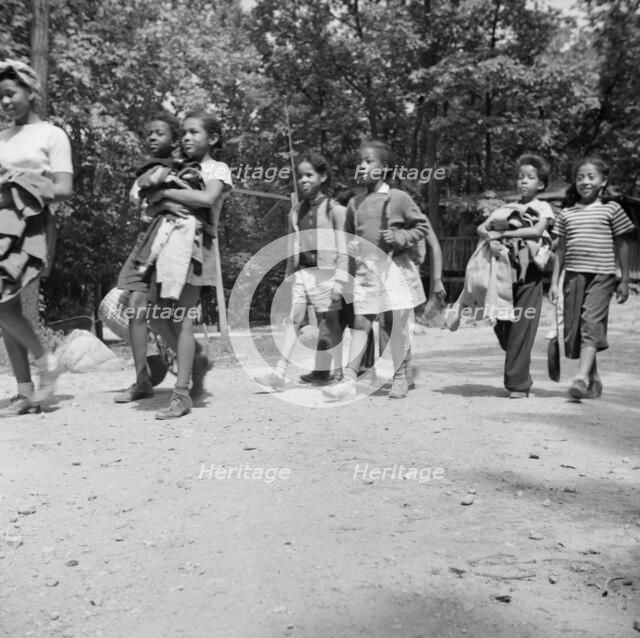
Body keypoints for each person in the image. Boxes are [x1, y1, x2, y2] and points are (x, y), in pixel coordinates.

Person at [323, 140, 442, 401]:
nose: (362, 166)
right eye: (360, 162)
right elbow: (348, 240)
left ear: (384, 167)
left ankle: (399, 377)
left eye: (369, 161)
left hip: (394, 269)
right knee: (361, 323)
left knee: (395, 325)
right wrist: (350, 257)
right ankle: (349, 380)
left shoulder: (398, 198)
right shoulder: (354, 203)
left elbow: (422, 227)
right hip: (367, 272)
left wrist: (400, 236)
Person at [114, 111, 210, 404]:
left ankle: (188, 364)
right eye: (149, 134)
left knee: (154, 312)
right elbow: (142, 202)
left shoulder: (181, 169)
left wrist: (161, 199)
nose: (153, 137)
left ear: (174, 140)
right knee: (137, 310)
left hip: (167, 243)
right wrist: (161, 201)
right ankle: (147, 377)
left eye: (160, 133)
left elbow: (177, 204)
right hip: (147, 242)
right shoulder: (151, 168)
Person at [145, 110, 232, 419]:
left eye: (195, 132)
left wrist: (167, 192)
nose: (186, 138)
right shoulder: (179, 167)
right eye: (183, 133)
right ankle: (197, 358)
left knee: (182, 318)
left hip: (197, 248)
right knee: (155, 317)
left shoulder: (216, 168)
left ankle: (181, 394)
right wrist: (163, 199)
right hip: (167, 248)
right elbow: (149, 202)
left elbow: (208, 199)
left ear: (213, 138)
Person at [0, 59, 73, 416]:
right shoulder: (1, 137)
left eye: (10, 93)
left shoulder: (51, 134)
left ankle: (46, 361)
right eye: (0, 97)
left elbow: (63, 188)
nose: (5, 102)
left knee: (1, 304)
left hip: (28, 225)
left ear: (30, 92)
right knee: (5, 309)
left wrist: (15, 179)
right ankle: (25, 391)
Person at [253, 153, 348, 390]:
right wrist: (288, 275)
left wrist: (340, 280)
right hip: (302, 274)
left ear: (322, 177)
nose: (303, 180)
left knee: (331, 323)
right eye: (300, 176)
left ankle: (340, 372)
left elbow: (343, 249)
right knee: (293, 320)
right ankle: (280, 374)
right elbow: (291, 245)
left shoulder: (334, 210)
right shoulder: (295, 211)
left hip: (326, 274)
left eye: (309, 175)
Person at [550, 156, 634, 400]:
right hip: (574, 277)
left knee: (590, 322)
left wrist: (624, 279)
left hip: (602, 275)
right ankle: (593, 379)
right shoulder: (566, 214)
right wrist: (555, 282)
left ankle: (580, 377)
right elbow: (561, 250)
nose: (585, 181)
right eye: (580, 177)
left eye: (590, 177)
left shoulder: (612, 209)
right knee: (576, 328)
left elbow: (623, 244)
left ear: (603, 181)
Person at [476, 154, 555, 398]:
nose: (524, 181)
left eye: (530, 178)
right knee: (502, 324)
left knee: (523, 327)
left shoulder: (543, 207)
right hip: (503, 272)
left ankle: (518, 384)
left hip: (530, 274)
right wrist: (489, 235)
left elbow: (537, 230)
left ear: (540, 184)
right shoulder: (506, 208)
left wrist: (504, 234)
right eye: (520, 177)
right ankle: (513, 353)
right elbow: (482, 227)